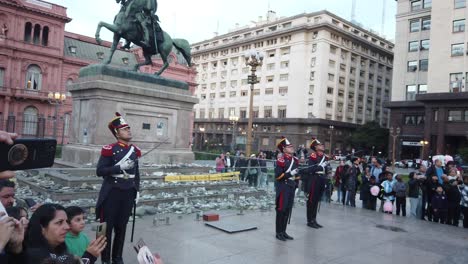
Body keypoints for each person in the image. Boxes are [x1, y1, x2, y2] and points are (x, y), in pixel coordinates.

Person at [96, 112, 141, 264]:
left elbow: (136, 173)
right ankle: (105, 260)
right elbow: (100, 171)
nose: (129, 131)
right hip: (112, 192)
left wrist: (137, 190)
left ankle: (117, 258)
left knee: (121, 228)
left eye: (129, 128)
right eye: (124, 129)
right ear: (117, 133)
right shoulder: (109, 149)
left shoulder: (134, 151)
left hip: (128, 193)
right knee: (105, 229)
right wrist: (118, 167)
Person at [26, 203, 106, 264]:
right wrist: (88, 257)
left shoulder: (59, 248)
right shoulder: (34, 257)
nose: (67, 227)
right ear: (42, 227)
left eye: (66, 222)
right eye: (59, 222)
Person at [274, 137, 298, 241]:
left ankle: (284, 231)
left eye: (291, 146)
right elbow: (278, 176)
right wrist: (289, 174)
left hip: (291, 187)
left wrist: (296, 184)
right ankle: (278, 232)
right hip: (283, 187)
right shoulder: (281, 160)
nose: (292, 147)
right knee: (281, 210)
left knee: (287, 210)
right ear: (284, 150)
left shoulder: (295, 160)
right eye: (289, 147)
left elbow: (296, 175)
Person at [304, 137, 328, 228]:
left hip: (321, 179)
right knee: (311, 201)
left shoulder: (324, 157)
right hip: (314, 180)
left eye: (322, 145)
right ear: (316, 147)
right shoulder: (313, 156)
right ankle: (309, 220)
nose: (322, 145)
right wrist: (321, 167)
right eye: (319, 145)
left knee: (316, 201)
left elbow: (325, 170)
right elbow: (310, 169)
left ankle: (314, 219)